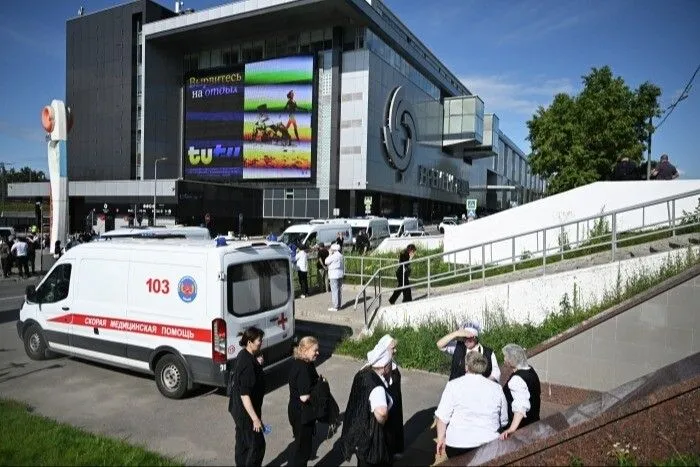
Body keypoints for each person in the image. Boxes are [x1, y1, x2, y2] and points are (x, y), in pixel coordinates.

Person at [435, 352, 508, 459]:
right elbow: (504, 420)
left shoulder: (453, 385)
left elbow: (442, 418)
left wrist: (441, 438)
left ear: (466, 367)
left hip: (457, 444)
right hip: (488, 442)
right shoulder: (496, 388)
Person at [341, 342, 395, 466]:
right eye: (390, 363)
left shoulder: (363, 374)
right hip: (373, 441)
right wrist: (384, 419)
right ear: (384, 366)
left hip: (361, 436)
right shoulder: (377, 387)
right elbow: (381, 412)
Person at [228, 327, 267, 467]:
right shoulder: (248, 364)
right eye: (259, 340)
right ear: (250, 342)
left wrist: (258, 364)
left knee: (242, 444)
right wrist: (255, 419)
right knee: (257, 446)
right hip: (247, 414)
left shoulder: (244, 354)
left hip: (238, 410)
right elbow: (245, 395)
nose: (261, 342)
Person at [288, 336, 320, 466]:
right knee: (303, 451)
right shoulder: (303, 369)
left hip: (297, 411)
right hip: (302, 414)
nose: (318, 353)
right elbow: (304, 396)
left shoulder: (303, 363)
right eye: (315, 350)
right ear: (305, 350)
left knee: (301, 445)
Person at [499, 343, 541, 440]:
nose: (504, 359)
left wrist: (511, 429)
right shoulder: (530, 370)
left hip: (522, 430)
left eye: (505, 356)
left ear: (512, 360)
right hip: (534, 422)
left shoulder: (517, 379)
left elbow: (521, 405)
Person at [436, 322, 500, 382]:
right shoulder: (459, 347)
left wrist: (483, 383)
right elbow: (440, 345)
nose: (467, 340)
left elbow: (496, 373)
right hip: (457, 387)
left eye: (470, 337)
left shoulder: (488, 352)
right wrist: (456, 334)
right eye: (464, 337)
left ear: (476, 338)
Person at [374, 335, 404, 459]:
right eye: (393, 348)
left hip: (394, 403)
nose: (395, 351)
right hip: (385, 405)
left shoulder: (393, 365)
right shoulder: (380, 367)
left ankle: (395, 449)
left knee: (395, 427)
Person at [325, 243, 344, 311]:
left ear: (333, 249)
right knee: (339, 290)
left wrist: (330, 254)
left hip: (334, 275)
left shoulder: (333, 256)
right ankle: (339, 305)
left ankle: (335, 306)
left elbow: (326, 261)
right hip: (340, 274)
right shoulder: (341, 255)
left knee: (334, 290)